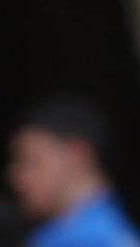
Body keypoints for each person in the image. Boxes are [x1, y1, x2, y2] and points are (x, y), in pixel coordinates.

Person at [7, 95, 140, 247]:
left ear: (77, 155)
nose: (13, 175)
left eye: (29, 161)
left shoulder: (84, 239)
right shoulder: (118, 232)